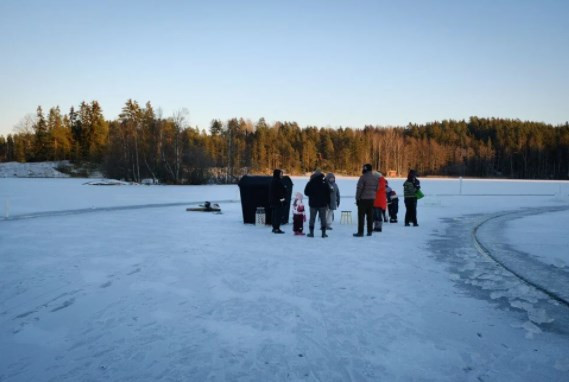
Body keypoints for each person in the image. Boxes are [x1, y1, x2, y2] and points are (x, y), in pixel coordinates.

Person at [354, 164, 379, 237]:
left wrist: (357, 198)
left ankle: (360, 232)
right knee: (370, 216)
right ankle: (369, 231)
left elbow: (359, 189)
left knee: (361, 216)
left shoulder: (363, 177)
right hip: (372, 199)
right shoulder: (375, 178)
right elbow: (377, 189)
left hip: (363, 199)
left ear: (365, 169)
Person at [304, 170, 331, 238]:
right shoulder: (325, 183)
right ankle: (323, 233)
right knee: (323, 219)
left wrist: (312, 195)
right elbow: (328, 193)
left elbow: (306, 192)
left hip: (313, 204)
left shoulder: (311, 182)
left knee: (312, 219)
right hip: (323, 204)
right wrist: (328, 202)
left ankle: (311, 233)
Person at [269, 168, 287, 234]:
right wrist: (283, 200)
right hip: (277, 201)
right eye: (281, 174)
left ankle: (275, 228)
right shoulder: (277, 182)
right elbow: (279, 193)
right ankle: (276, 228)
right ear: (277, 174)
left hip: (273, 201)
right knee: (277, 215)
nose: (282, 175)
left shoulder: (273, 181)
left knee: (274, 215)